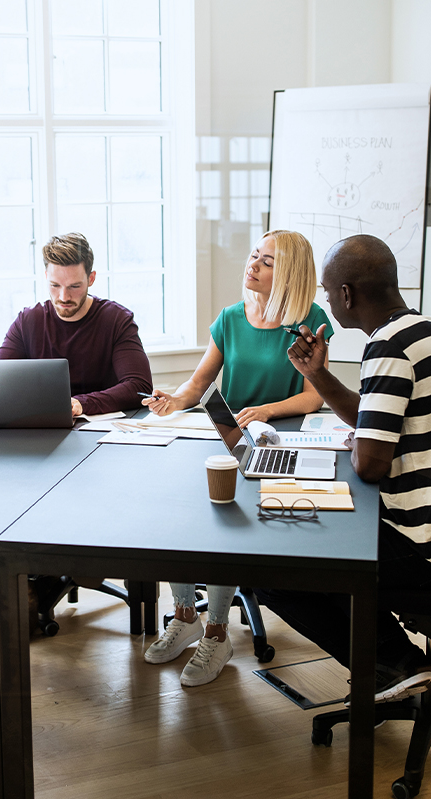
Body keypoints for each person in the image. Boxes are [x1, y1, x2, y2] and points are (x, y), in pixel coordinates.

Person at [256, 234, 431, 703]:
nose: (325, 299)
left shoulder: (387, 347)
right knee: (306, 533)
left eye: (327, 290)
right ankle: (394, 662)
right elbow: (373, 416)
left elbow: (369, 465)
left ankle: (396, 664)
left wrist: (362, 447)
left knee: (274, 566)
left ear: (346, 294)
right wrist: (318, 375)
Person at [141, 230, 334, 686]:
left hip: (280, 444)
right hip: (228, 437)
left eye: (267, 262)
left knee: (223, 532)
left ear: (288, 274)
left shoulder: (311, 319)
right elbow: (198, 382)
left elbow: (313, 397)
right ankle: (185, 616)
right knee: (183, 516)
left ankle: (217, 632)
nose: (252, 266)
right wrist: (174, 400)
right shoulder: (231, 318)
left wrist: (266, 409)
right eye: (253, 256)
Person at [0, 232, 153, 416]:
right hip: (43, 430)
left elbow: (139, 387)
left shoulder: (117, 320)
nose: (63, 297)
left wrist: (82, 403)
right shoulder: (28, 321)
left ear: (91, 279)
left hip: (104, 431)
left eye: (74, 287)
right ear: (46, 276)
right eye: (55, 285)